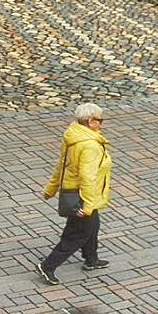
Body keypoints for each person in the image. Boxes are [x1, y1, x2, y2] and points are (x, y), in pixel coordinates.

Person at [37, 103, 113, 285]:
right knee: (77, 234)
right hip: (82, 196)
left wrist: (51, 188)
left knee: (93, 226)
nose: (102, 124)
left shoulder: (74, 136)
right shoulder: (89, 146)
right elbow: (87, 178)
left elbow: (63, 165)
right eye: (100, 120)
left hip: (73, 191)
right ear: (91, 121)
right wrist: (87, 206)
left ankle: (91, 259)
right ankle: (48, 266)